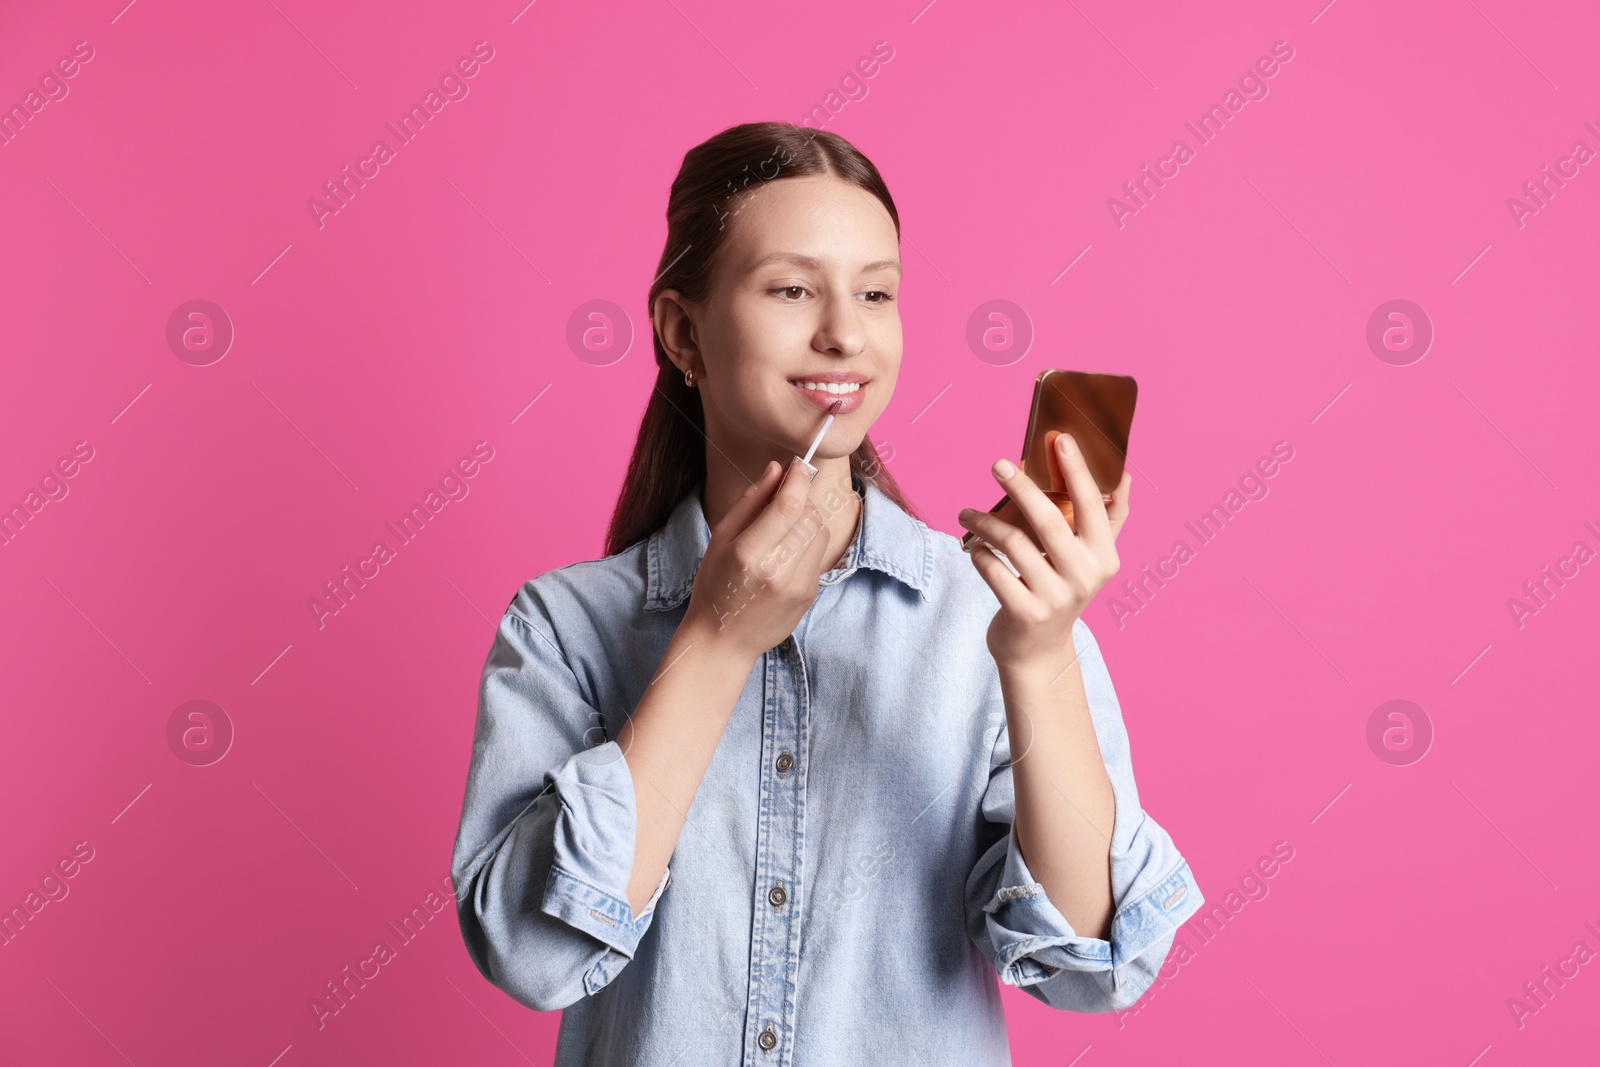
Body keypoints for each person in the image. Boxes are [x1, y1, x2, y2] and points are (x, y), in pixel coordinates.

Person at [449, 121, 1203, 1065]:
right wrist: (716, 641)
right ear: (684, 332)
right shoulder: (564, 627)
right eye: (793, 288)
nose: (846, 332)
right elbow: (531, 953)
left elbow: (1098, 964)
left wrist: (1041, 656)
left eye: (877, 292)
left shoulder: (998, 612)